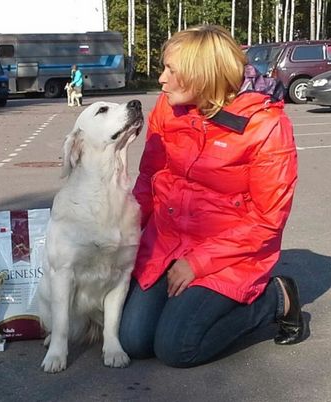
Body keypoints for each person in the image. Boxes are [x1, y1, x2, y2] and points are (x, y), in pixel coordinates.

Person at [119, 24, 307, 368]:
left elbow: (268, 221)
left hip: (229, 255)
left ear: (201, 75)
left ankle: (275, 300)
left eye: (171, 70)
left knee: (177, 348)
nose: (161, 79)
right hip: (167, 244)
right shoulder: (167, 108)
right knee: (133, 340)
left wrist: (198, 263)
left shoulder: (265, 126)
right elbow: (149, 180)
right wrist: (120, 232)